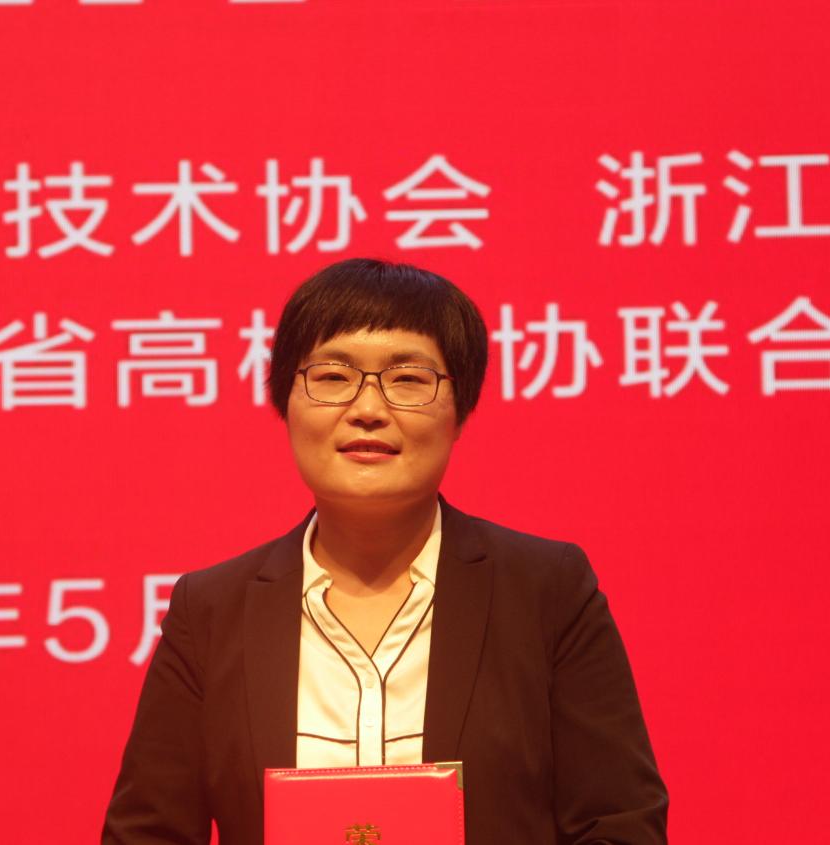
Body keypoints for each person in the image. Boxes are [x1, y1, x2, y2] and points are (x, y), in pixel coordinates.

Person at [102, 258, 668, 845]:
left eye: (409, 380)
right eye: (332, 376)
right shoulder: (211, 611)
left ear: (461, 410)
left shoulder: (546, 591)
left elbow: (620, 824)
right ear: (284, 401)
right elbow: (147, 834)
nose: (368, 409)